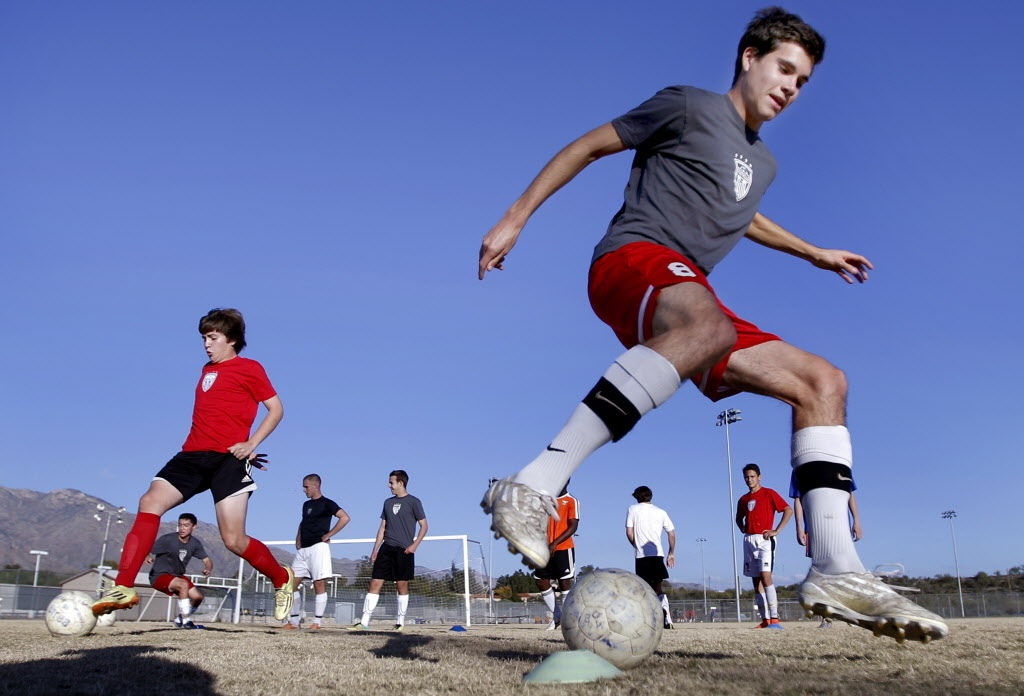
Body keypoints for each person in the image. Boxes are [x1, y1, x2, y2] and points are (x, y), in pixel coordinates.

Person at [478, 7, 946, 643]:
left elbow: (743, 214)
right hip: (632, 259)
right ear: (749, 58)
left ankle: (837, 567)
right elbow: (589, 145)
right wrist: (516, 216)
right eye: (784, 68)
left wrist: (813, 252)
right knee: (711, 324)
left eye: (803, 80)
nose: (791, 86)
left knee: (822, 382)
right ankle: (535, 482)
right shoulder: (688, 106)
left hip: (691, 301)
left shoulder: (764, 163)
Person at [92, 308, 298, 622]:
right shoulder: (206, 369)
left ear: (231, 339)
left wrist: (251, 444)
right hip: (191, 456)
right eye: (204, 338)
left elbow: (276, 409)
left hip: (228, 459)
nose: (206, 344)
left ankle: (282, 578)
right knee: (149, 502)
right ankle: (123, 587)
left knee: (234, 540)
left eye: (212, 338)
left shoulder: (250, 368)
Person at [349, 470, 427, 631]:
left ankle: (400, 623)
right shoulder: (387, 503)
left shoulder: (414, 502)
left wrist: (414, 545)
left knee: (402, 585)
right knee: (375, 582)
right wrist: (375, 549)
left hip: (404, 550)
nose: (389, 485)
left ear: (401, 483)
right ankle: (364, 622)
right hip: (386, 548)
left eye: (391, 482)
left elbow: (424, 526)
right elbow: (382, 527)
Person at [791, 474, 861, 628]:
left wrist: (856, 520)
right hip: (815, 526)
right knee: (821, 571)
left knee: (844, 569)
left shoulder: (839, 463)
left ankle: (851, 614)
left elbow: (849, 493)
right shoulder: (800, 469)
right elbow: (798, 498)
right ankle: (827, 616)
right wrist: (799, 527)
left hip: (839, 524)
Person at [282, 474, 351, 630]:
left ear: (315, 486)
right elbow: (303, 522)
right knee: (291, 584)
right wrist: (298, 538)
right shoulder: (306, 505)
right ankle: (293, 622)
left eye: (306, 486)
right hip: (303, 550)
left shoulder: (327, 503)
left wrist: (329, 534)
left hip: (318, 548)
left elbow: (345, 518)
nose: (304, 489)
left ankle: (317, 622)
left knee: (318, 583)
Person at [736, 464, 792, 629]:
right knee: (756, 580)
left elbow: (788, 510)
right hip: (749, 540)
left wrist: (776, 530)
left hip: (765, 539)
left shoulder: (769, 493)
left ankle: (774, 619)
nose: (749, 480)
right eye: (746, 477)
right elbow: (738, 518)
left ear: (759, 477)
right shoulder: (743, 499)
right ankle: (765, 620)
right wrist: (742, 527)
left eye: (752, 476)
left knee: (766, 576)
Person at [145, 513, 212, 629]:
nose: (182, 528)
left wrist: (208, 568)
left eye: (186, 525)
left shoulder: (195, 543)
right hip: (159, 575)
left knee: (197, 597)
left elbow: (207, 560)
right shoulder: (167, 539)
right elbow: (147, 550)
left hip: (177, 575)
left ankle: (179, 619)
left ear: (194, 527)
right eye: (180, 525)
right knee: (183, 584)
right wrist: (147, 557)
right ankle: (186, 622)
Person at [625, 485, 676, 629]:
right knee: (658, 588)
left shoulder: (632, 509)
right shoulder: (661, 512)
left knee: (644, 589)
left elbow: (629, 532)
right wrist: (671, 553)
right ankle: (667, 617)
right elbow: (671, 533)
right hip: (657, 555)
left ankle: (648, 620)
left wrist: (636, 545)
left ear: (636, 497)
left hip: (642, 556)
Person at [532, 483, 579, 630]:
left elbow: (573, 526)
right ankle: (557, 615)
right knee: (540, 580)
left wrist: (555, 543)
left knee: (564, 582)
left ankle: (567, 619)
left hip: (563, 548)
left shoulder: (571, 501)